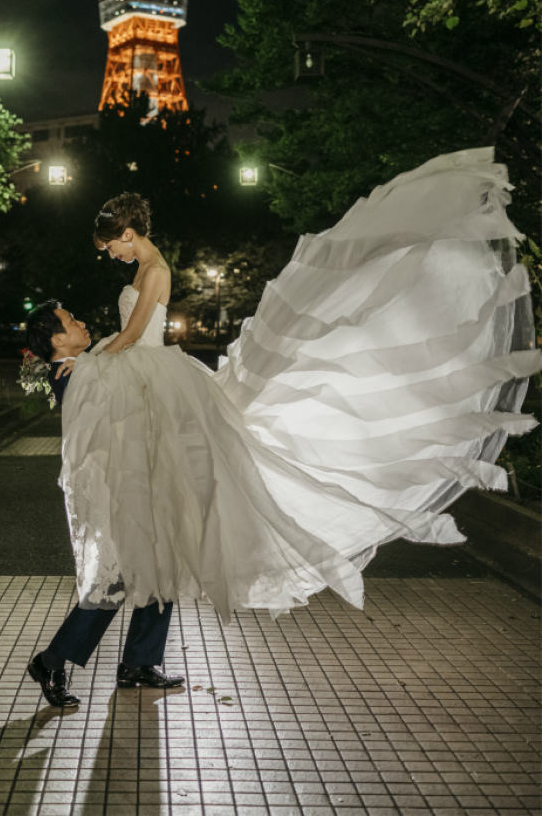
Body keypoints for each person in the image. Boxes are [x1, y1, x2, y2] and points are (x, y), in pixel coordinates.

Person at [55, 148, 540, 631]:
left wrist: (90, 359)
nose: (111, 255)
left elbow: (136, 334)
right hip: (146, 377)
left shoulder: (155, 269)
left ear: (127, 233)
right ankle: (143, 635)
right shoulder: (145, 268)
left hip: (152, 373)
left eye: (110, 247)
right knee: (164, 492)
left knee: (177, 488)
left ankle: (138, 623)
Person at [22, 301, 184, 710]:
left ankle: (139, 663)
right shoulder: (70, 374)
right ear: (58, 340)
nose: (81, 322)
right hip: (113, 492)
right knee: (112, 586)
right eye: (71, 321)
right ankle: (50, 661)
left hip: (132, 482)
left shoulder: (86, 364)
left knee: (158, 567)